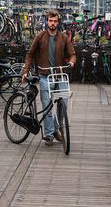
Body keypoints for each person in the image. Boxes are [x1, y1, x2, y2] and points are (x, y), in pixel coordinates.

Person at [22, 10, 77, 146]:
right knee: (46, 105)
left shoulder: (64, 38)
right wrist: (25, 71)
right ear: (47, 21)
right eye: (50, 21)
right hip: (44, 75)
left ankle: (57, 128)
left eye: (55, 21)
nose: (52, 23)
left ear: (58, 22)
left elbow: (72, 54)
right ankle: (48, 134)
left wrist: (71, 62)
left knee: (63, 103)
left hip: (59, 75)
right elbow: (30, 54)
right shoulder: (40, 36)